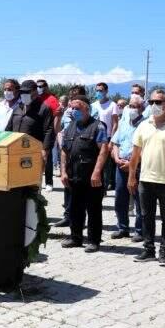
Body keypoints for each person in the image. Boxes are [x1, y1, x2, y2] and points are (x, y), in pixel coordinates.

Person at [128, 89, 165, 266]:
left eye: (159, 102)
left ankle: (164, 252)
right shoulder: (143, 125)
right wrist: (132, 176)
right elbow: (135, 154)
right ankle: (148, 250)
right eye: (152, 102)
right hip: (146, 180)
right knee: (146, 216)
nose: (155, 105)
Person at [60, 95, 109, 252]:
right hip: (74, 175)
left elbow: (103, 149)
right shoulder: (70, 127)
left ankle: (94, 240)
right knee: (75, 208)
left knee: (93, 209)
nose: (74, 111)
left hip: (91, 176)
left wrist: (96, 172)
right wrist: (63, 172)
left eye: (78, 108)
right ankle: (76, 237)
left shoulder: (97, 126)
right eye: (72, 108)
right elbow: (64, 151)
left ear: (87, 109)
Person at [110, 95, 145, 242]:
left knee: (139, 199)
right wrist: (117, 158)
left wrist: (132, 164)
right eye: (130, 106)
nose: (132, 109)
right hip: (120, 166)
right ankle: (123, 228)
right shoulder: (123, 123)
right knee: (120, 198)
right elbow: (115, 143)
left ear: (142, 108)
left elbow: (147, 148)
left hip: (138, 167)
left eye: (135, 106)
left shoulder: (146, 125)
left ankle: (140, 230)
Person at [53, 85, 87, 228]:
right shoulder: (67, 111)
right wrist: (58, 116)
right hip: (67, 152)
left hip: (82, 155)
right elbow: (58, 130)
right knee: (67, 185)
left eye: (76, 96)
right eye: (71, 96)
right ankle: (68, 216)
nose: (73, 99)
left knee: (81, 190)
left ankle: (80, 219)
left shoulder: (89, 111)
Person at [6, 80, 55, 156]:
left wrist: (45, 150)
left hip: (35, 151)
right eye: (22, 92)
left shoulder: (44, 108)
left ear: (35, 92)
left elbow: (49, 131)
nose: (24, 94)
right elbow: (9, 128)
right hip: (16, 149)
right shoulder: (18, 108)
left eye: (27, 92)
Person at [91, 82, 119, 191]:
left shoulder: (112, 105)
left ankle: (104, 186)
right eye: (97, 90)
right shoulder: (93, 105)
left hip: (106, 137)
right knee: (95, 161)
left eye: (101, 90)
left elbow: (115, 123)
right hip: (94, 137)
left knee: (106, 164)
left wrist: (112, 139)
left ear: (106, 91)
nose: (98, 92)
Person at [36, 79, 61, 192]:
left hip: (48, 132)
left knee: (48, 158)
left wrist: (55, 133)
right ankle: (36, 181)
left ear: (46, 86)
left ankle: (49, 182)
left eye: (41, 86)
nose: (39, 88)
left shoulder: (52, 100)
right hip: (36, 132)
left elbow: (57, 116)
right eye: (37, 86)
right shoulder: (35, 98)